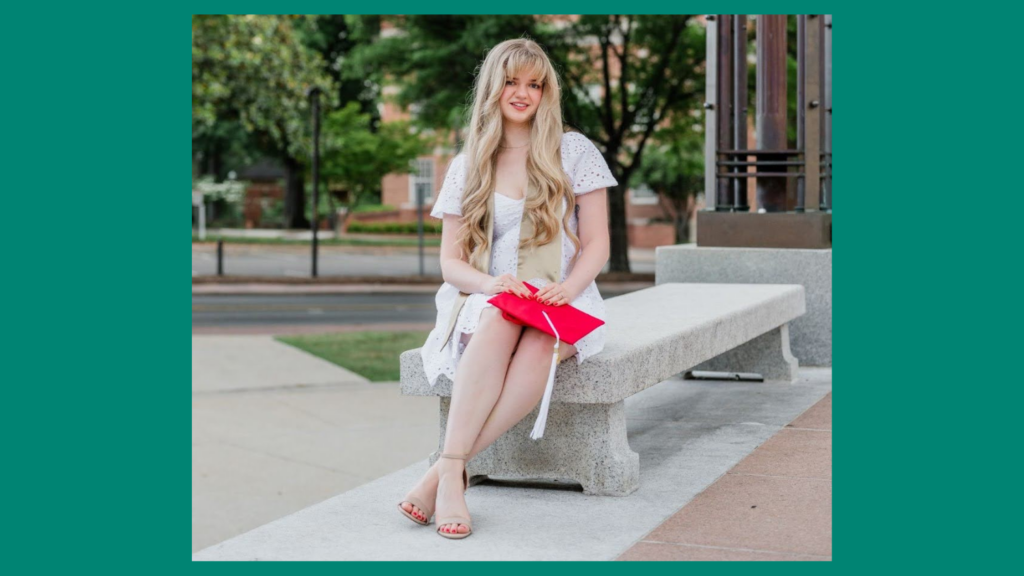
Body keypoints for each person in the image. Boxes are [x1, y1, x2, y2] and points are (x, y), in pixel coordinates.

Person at [397, 38, 618, 540]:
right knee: (501, 314)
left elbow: (598, 244)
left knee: (541, 335)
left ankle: (443, 472)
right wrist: (490, 283)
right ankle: (453, 478)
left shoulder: (574, 150)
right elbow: (451, 263)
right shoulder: (468, 163)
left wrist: (569, 288)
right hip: (487, 292)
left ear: (546, 92)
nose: (523, 93)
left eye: (534, 84)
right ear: (493, 87)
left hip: (561, 294)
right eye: (512, 82)